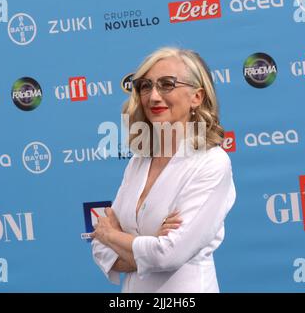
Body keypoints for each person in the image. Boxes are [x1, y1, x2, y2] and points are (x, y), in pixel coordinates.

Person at [91, 46, 236, 293]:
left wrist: (111, 236)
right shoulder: (138, 162)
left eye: (167, 84)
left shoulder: (212, 162)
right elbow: (101, 251)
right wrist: (147, 245)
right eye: (146, 86)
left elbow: (168, 255)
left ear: (196, 97)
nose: (153, 96)